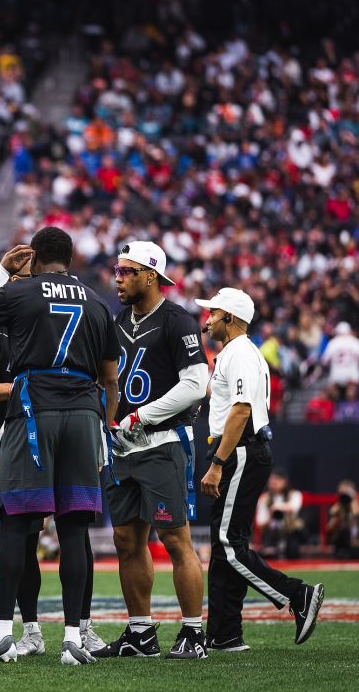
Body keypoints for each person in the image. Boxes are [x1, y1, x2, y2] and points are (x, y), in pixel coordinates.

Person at [0, 228, 120, 666]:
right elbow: (110, 378)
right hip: (85, 414)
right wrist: (106, 426)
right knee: (73, 530)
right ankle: (73, 638)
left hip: (33, 412)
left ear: (34, 254)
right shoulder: (99, 302)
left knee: (17, 524)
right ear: (70, 256)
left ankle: (5, 633)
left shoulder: (20, 291)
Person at [97, 241, 209, 660]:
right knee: (126, 538)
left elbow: (196, 384)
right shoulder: (115, 321)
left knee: (175, 538)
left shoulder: (177, 320)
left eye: (126, 271)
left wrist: (141, 416)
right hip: (121, 445)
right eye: (117, 270)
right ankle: (140, 632)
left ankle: (194, 632)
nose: (118, 278)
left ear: (150, 274)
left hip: (162, 442)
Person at [196, 288, 325, 652]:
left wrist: (218, 463)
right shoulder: (237, 352)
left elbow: (240, 412)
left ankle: (297, 595)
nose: (208, 319)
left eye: (214, 312)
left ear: (231, 318)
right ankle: (225, 633)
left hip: (239, 450)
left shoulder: (239, 353)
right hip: (240, 450)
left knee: (227, 544)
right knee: (227, 547)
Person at [256, 470, 305, 560]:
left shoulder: (294, 494)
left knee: (292, 552)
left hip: (290, 532)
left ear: (284, 482)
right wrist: (271, 515)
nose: (273, 483)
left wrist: (279, 507)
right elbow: (260, 523)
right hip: (271, 534)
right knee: (268, 555)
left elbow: (294, 507)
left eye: (277, 480)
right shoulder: (264, 499)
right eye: (271, 481)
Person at [328, 479, 359, 560]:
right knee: (341, 554)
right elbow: (330, 530)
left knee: (352, 553)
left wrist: (354, 504)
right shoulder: (336, 509)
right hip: (342, 545)